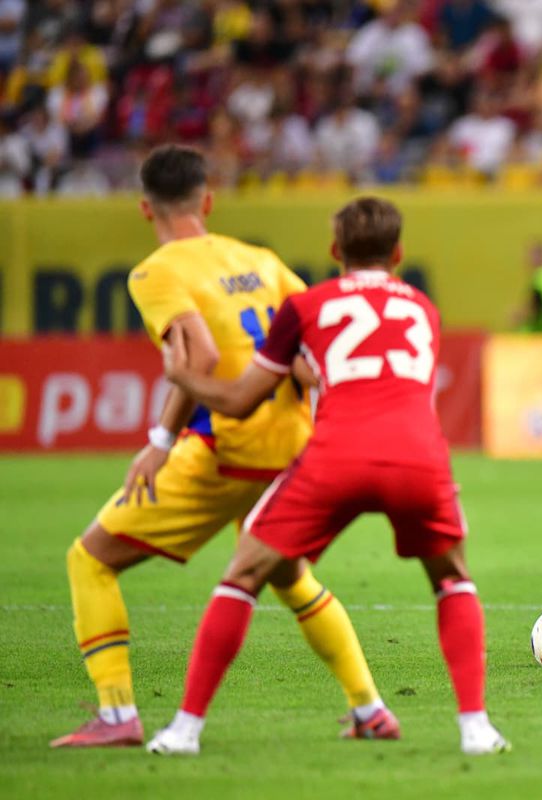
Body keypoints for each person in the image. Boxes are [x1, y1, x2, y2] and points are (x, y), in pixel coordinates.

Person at [52, 145, 395, 748]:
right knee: (290, 577)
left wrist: (160, 440)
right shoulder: (260, 259)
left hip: (225, 449)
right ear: (207, 201)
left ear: (145, 208)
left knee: (92, 559)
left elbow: (200, 358)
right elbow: (312, 342)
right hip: (291, 445)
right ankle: (370, 709)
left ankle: (116, 713)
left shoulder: (156, 272)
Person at [146, 197, 509, 756]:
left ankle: (184, 731)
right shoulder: (423, 309)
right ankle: (476, 729)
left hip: (336, 455)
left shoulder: (305, 306)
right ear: (399, 253)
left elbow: (240, 401)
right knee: (452, 578)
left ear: (335, 249)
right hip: (418, 457)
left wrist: (184, 378)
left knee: (243, 574)